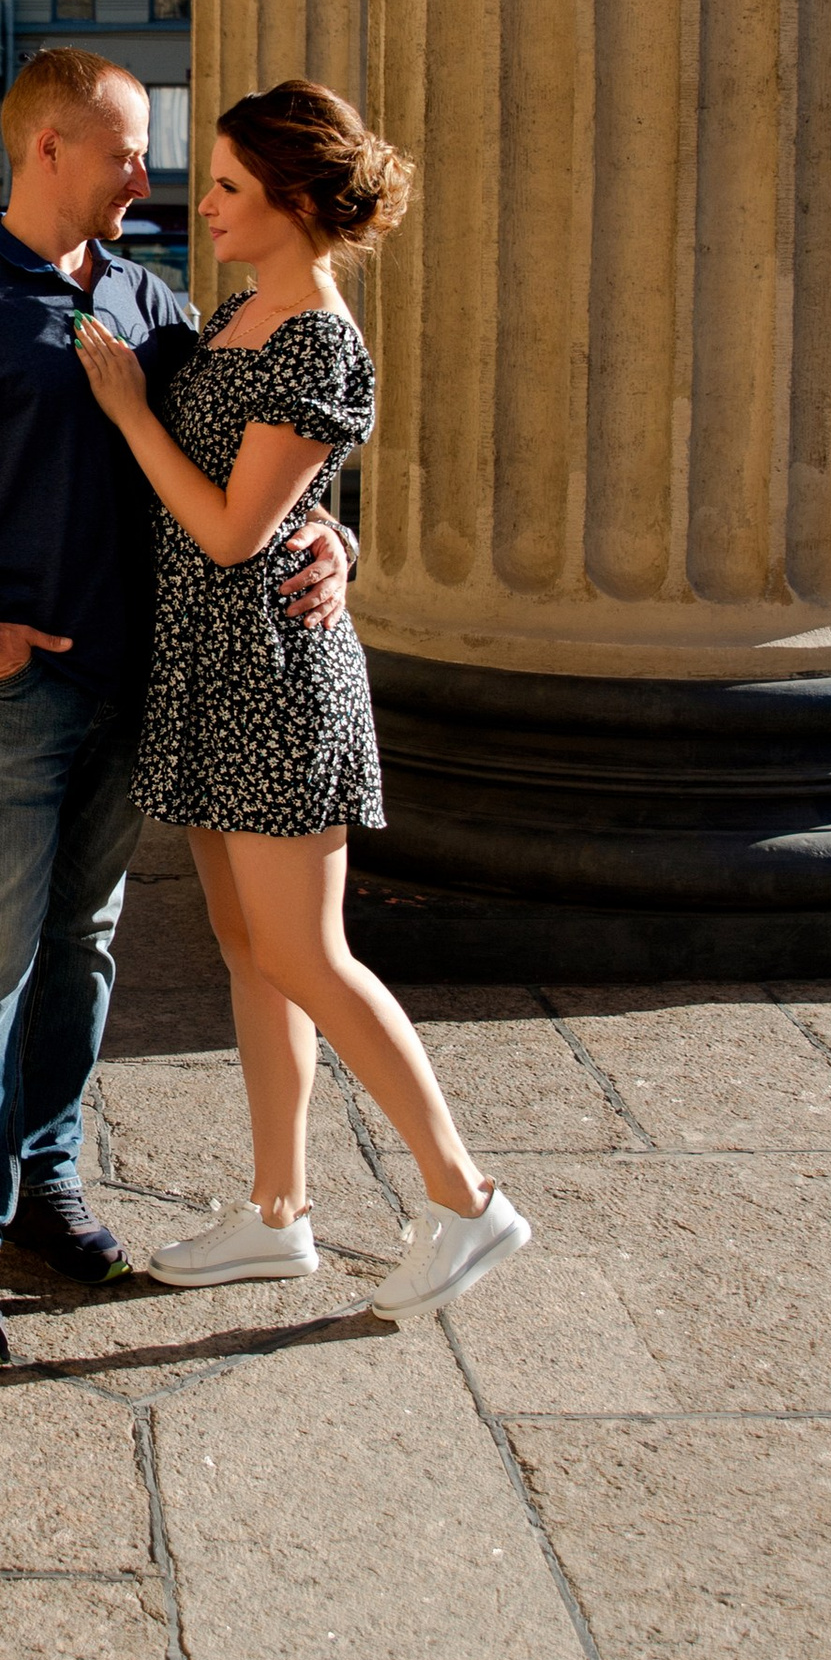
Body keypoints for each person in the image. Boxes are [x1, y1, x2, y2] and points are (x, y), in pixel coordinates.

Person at [0, 50, 353, 1371]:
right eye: (126, 152)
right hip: (15, 690)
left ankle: (46, 1184)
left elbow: (238, 474)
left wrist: (332, 540)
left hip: (140, 688)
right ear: (48, 149)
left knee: (83, 952)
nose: (149, 174)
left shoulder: (150, 301)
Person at [72, 78, 532, 1318]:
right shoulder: (241, 313)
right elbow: (273, 496)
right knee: (247, 950)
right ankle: (280, 1215)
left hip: (274, 673)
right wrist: (331, 527)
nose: (202, 202)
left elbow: (229, 532)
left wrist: (126, 411)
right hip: (217, 672)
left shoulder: (316, 336)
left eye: (226, 185)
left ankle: (466, 1197)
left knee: (303, 950)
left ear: (288, 199)